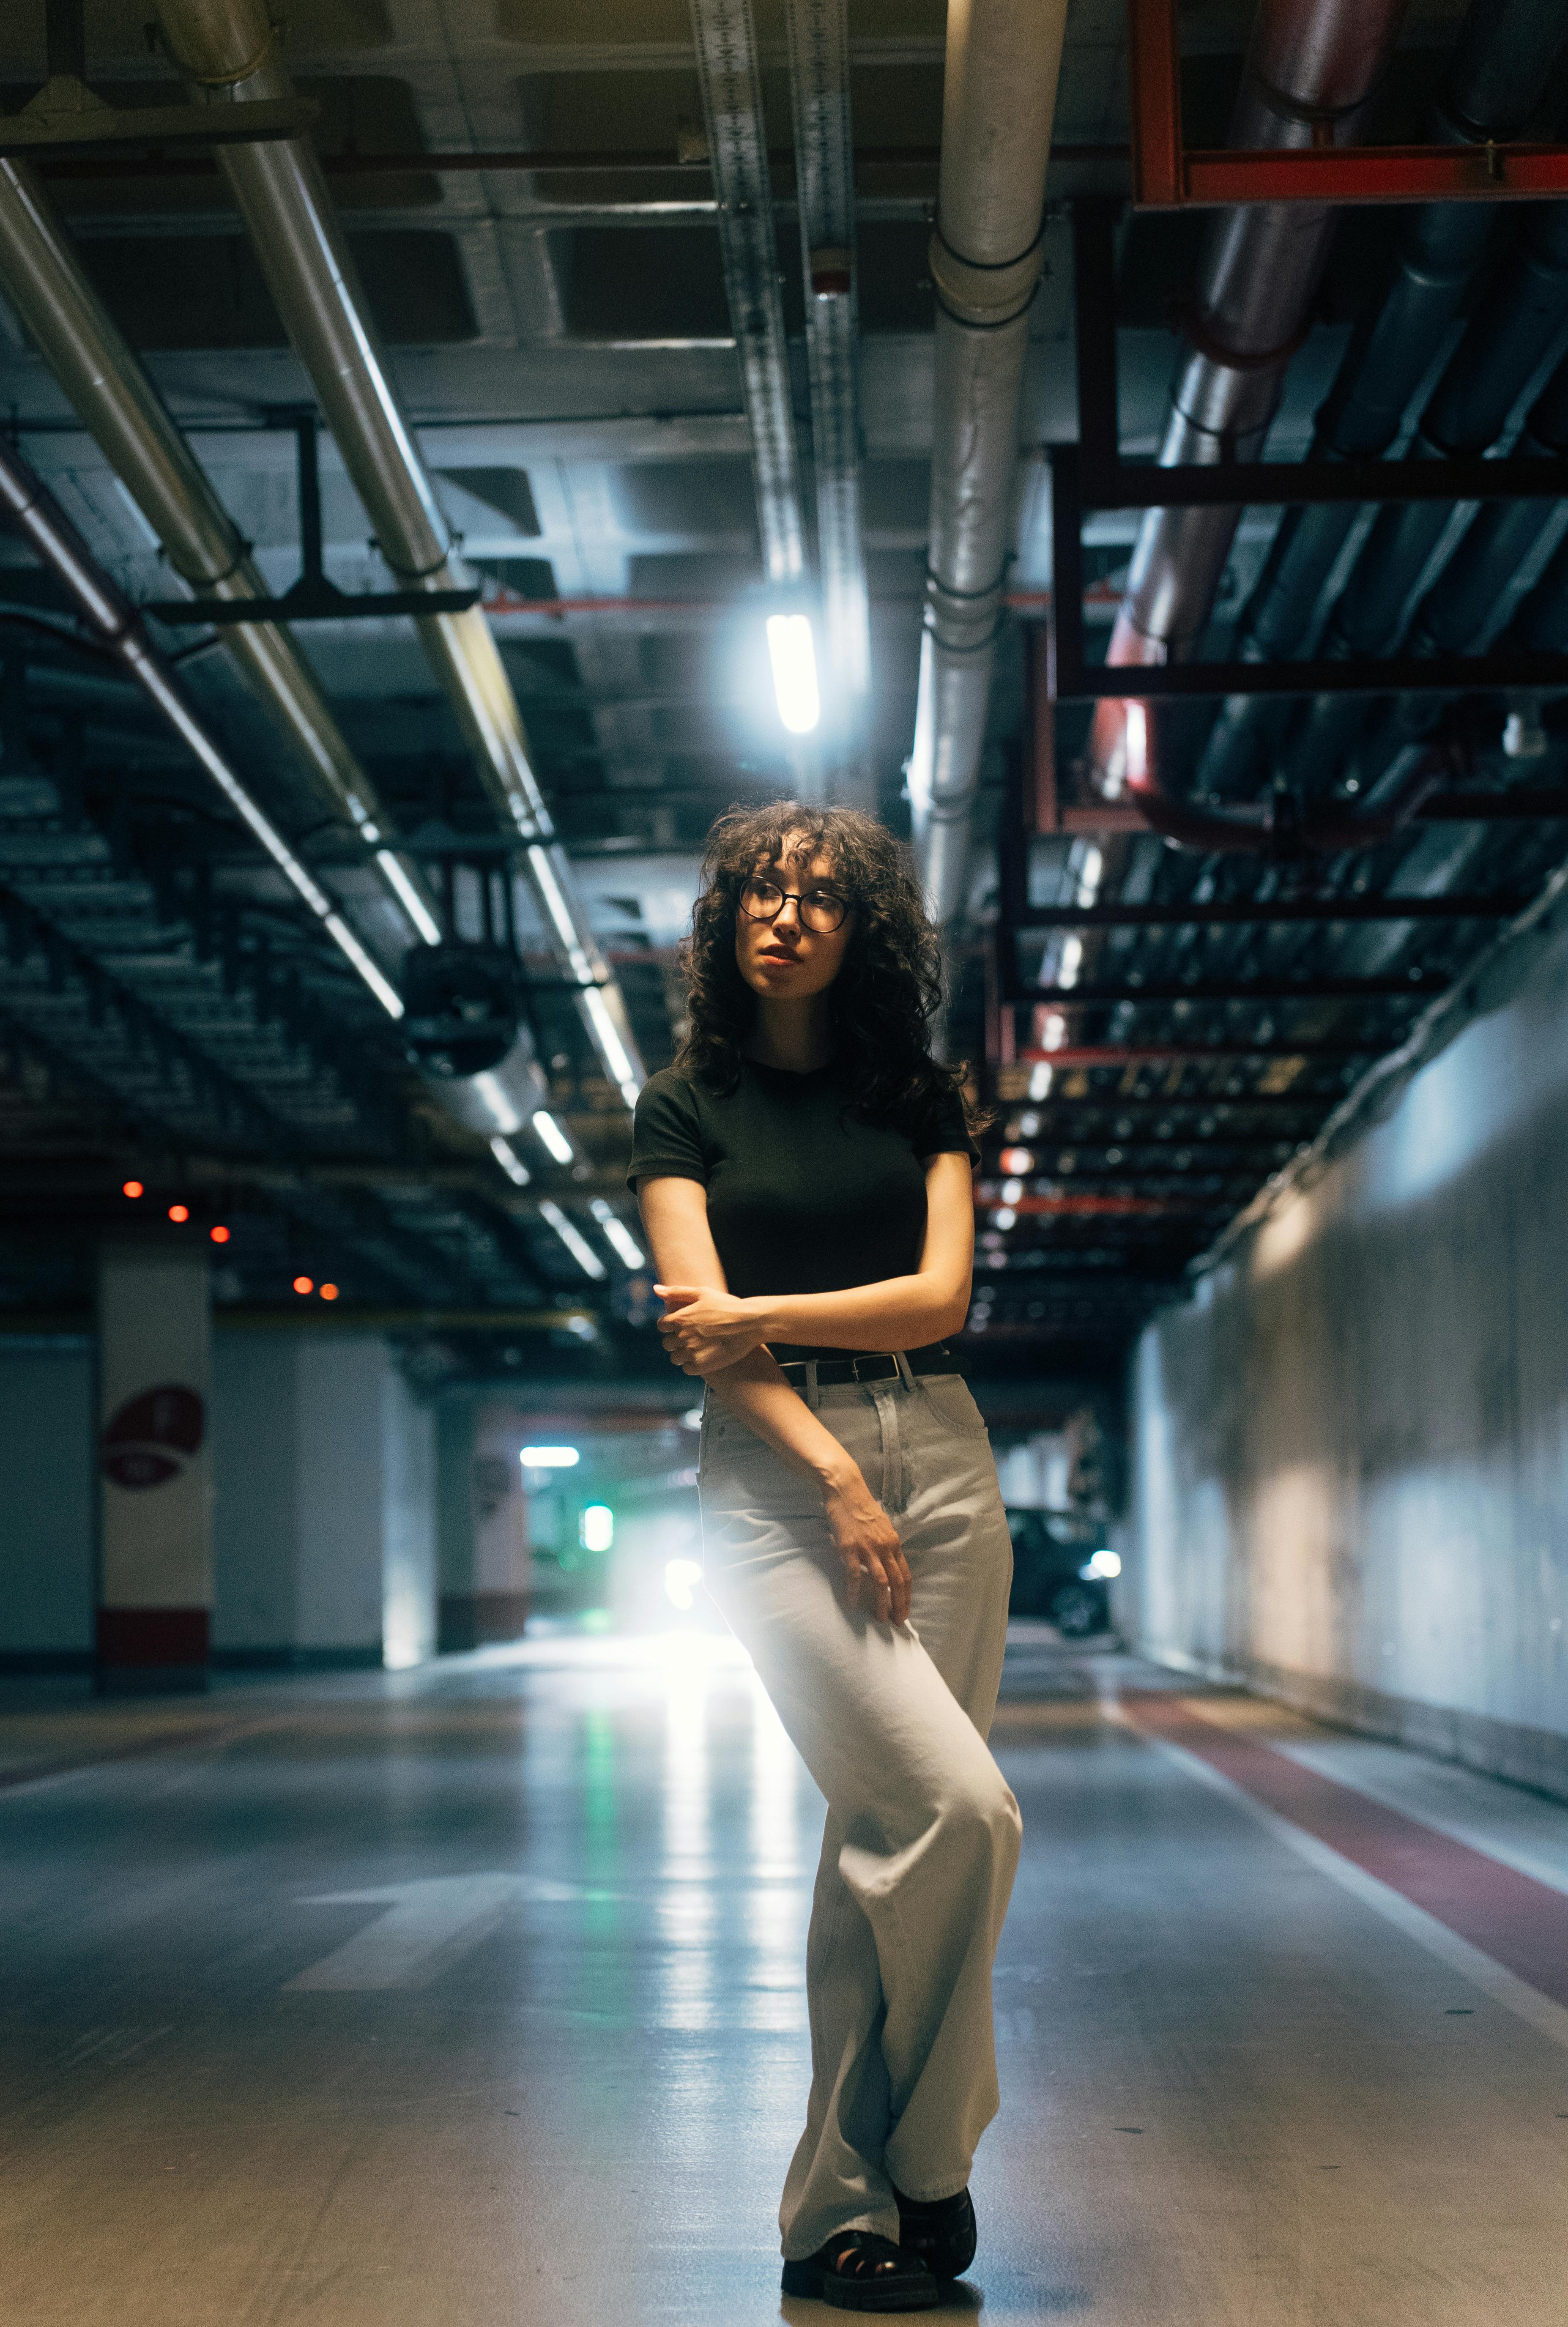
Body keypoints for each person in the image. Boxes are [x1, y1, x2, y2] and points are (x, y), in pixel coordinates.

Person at [628, 801, 1021, 2313]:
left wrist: (771, 1317)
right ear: (728, 921)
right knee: (962, 1810)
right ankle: (936, 2158)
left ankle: (840, 2211)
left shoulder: (918, 1094)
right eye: (760, 895)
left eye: (819, 901)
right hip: (785, 1486)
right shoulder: (685, 1105)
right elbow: (696, 1332)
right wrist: (837, 1473)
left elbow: (937, 1301)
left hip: (946, 1457)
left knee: (891, 1839)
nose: (785, 918)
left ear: (864, 934)